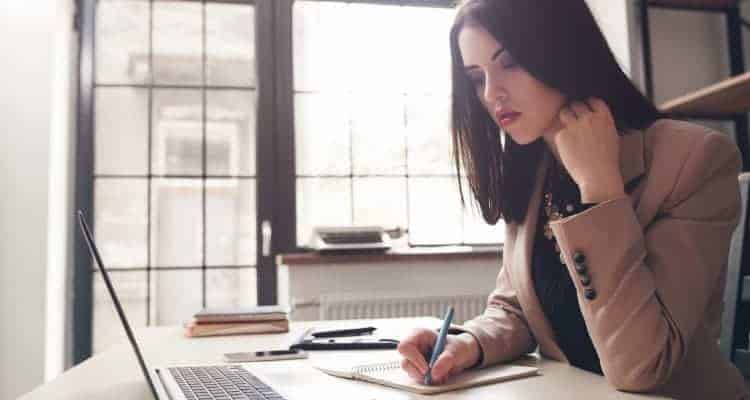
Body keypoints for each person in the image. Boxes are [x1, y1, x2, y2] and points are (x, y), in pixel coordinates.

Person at [396, 1, 749, 399]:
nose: (492, 93)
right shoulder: (534, 168)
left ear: (560, 49)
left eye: (510, 62)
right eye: (476, 78)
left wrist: (600, 188)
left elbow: (642, 366)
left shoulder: (693, 160)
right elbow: (517, 310)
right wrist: (467, 344)